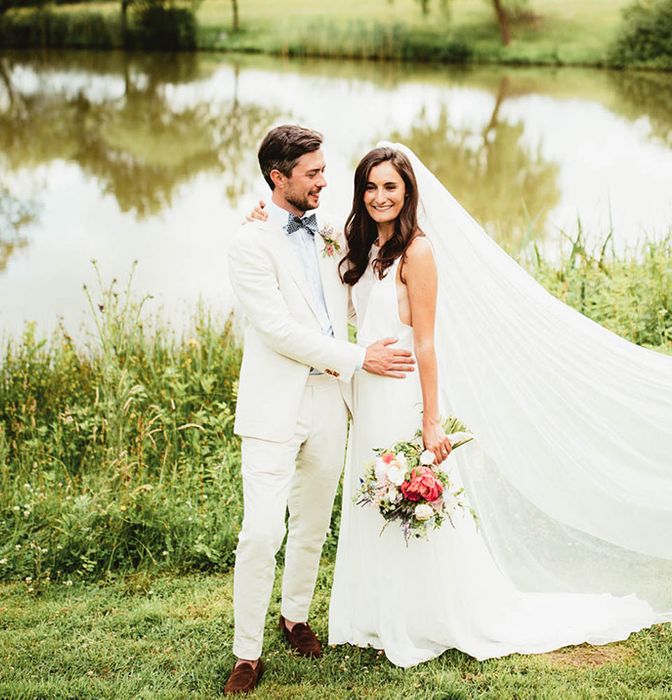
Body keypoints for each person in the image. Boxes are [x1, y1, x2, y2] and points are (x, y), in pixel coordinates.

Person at [250, 141, 672, 670]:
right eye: (371, 187)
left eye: (391, 187)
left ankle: (426, 617)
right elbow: (302, 225)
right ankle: (377, 615)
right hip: (364, 397)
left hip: (402, 395)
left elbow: (426, 342)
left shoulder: (417, 252)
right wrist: (262, 211)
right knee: (372, 503)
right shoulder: (360, 245)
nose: (380, 197)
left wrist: (430, 421)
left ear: (409, 193)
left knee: (411, 503)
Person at [223, 125, 416, 695]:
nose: (325, 182)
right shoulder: (248, 243)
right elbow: (279, 330)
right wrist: (360, 357)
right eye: (312, 174)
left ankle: (295, 617)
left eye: (325, 171)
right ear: (277, 178)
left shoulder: (332, 233)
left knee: (312, 522)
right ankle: (246, 653)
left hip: (330, 400)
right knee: (261, 531)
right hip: (273, 405)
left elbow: (386, 232)